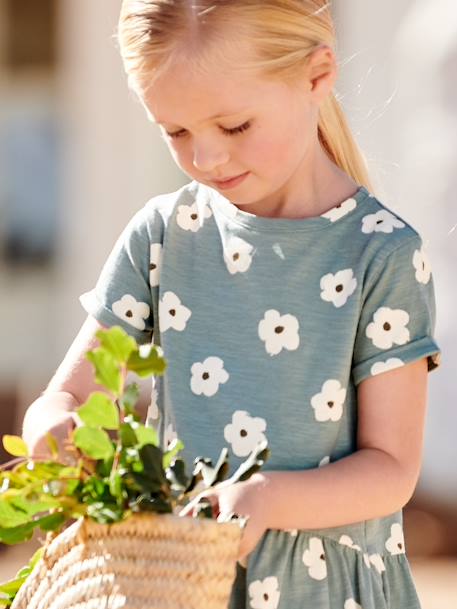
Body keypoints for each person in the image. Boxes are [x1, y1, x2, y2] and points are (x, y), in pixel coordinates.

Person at [22, 1, 442, 608]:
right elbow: (69, 395)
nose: (206, 158)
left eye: (235, 126)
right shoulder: (164, 235)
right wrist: (53, 427)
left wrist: (268, 498)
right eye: (177, 132)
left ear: (317, 76)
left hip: (323, 594)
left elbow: (392, 470)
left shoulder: (380, 254)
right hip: (180, 585)